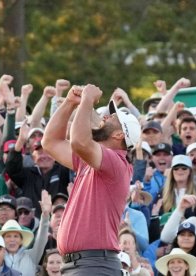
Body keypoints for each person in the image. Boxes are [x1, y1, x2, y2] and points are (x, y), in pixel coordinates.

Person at [42, 84, 141, 274]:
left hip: (93, 265)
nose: (104, 117)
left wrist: (87, 101)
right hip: (81, 265)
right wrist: (70, 103)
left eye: (111, 118)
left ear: (119, 134)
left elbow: (79, 141)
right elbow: (50, 142)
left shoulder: (116, 161)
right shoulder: (93, 160)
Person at [0, 190, 50, 275]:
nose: (12, 239)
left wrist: (45, 216)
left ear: (21, 240)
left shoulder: (31, 256)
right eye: (8, 236)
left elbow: (42, 239)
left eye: (16, 236)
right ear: (2, 240)